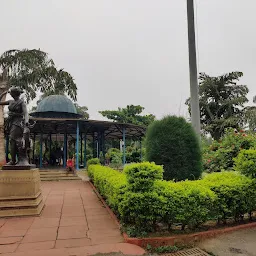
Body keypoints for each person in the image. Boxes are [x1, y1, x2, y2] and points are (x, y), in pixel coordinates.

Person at [0, 87, 30, 166]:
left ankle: (15, 160)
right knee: (12, 140)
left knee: (13, 140)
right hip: (10, 122)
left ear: (14, 93)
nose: (10, 94)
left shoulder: (21, 102)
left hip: (17, 123)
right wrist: (3, 94)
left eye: (11, 93)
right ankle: (13, 160)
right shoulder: (10, 101)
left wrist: (26, 121)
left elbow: (26, 113)